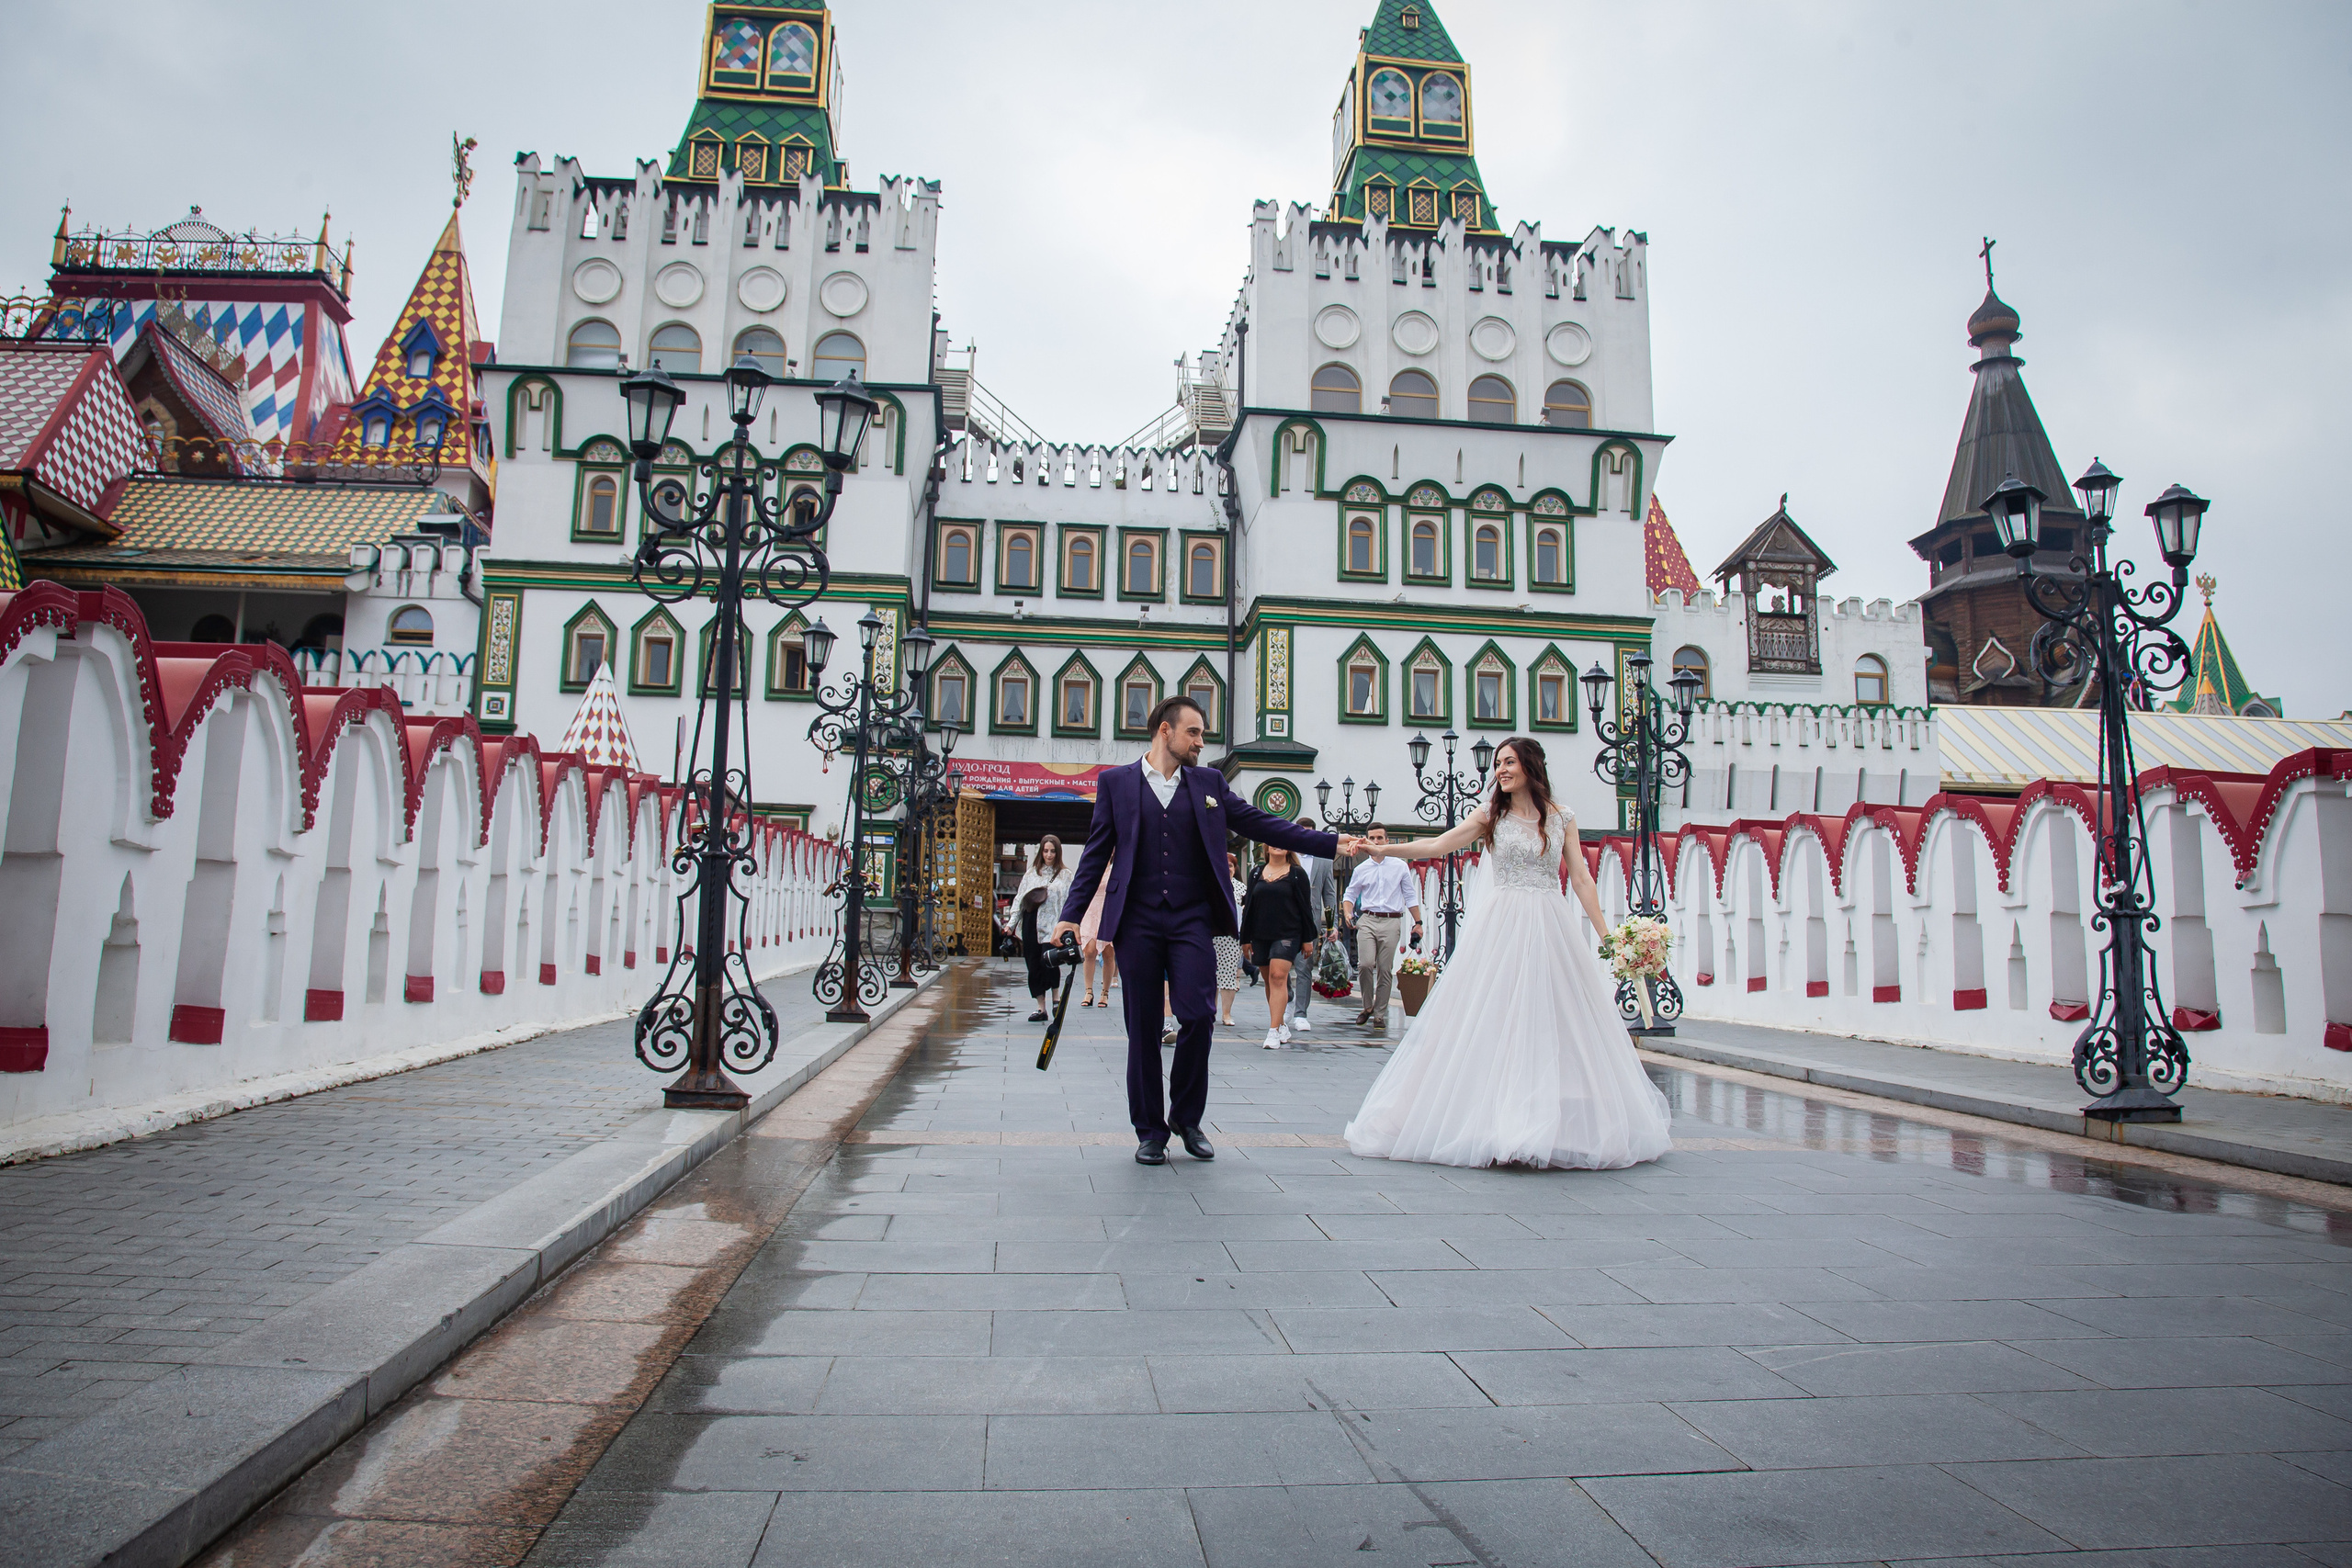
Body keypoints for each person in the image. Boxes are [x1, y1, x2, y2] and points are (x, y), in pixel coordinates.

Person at [1343, 736, 1672, 1170]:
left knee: (1552, 1018)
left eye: (1509, 762)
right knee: (1497, 1016)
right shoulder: (1490, 817)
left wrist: (1608, 937)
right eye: (1498, 762)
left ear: (1531, 766)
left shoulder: (1561, 818)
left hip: (1551, 923)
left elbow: (1581, 879)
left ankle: (1545, 1121)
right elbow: (1438, 845)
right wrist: (1383, 850)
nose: (1500, 769)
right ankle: (1496, 1120)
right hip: (1503, 925)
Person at [1055, 695, 1357, 1166]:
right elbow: (1096, 854)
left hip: (1192, 917)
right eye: (1193, 732)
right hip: (1136, 920)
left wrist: (1331, 841)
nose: (1201, 741)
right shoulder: (1116, 784)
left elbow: (1260, 822)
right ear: (1164, 732)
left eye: (1201, 733)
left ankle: (1187, 1118)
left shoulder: (1209, 782)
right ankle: (1150, 1131)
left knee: (1198, 1016)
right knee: (1143, 1028)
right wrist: (1071, 915)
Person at [1342, 825, 1423, 1038]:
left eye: (1380, 838)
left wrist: (1418, 922)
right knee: (1365, 964)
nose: (1376, 842)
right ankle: (1367, 1006)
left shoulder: (1399, 866)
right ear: (1366, 841)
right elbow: (1349, 895)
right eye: (1372, 838)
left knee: (1385, 969)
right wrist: (1348, 913)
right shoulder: (1362, 869)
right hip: (1367, 919)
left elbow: (1410, 895)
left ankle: (1379, 1014)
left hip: (1391, 920)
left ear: (1387, 841)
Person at [1241, 843, 1320, 1050]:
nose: (1277, 846)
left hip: (1288, 933)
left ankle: (1273, 1030)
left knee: (1278, 976)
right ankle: (1281, 1023)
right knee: (1268, 980)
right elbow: (1249, 905)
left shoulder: (1296, 873)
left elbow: (1305, 907)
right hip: (1260, 934)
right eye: (1273, 843)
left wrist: (1307, 938)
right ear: (1266, 848)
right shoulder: (1257, 872)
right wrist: (1245, 937)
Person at [1284, 820, 1337, 1035]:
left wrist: (1331, 924)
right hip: (1286, 918)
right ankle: (1287, 997)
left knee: (1304, 967)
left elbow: (1329, 893)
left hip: (1311, 920)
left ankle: (1300, 1014)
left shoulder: (1323, 861)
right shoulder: (1288, 856)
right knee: (1280, 965)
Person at [1012, 837, 1071, 1022]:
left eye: (1052, 851)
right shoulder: (1031, 874)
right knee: (1033, 965)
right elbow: (1020, 899)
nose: (1049, 855)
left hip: (1053, 925)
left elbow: (1071, 901)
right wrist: (1011, 924)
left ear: (1058, 852)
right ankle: (1040, 1007)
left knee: (1051, 960)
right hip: (1031, 923)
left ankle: (1056, 998)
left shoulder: (1065, 875)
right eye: (1046, 851)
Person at [1215, 852, 1246, 1026]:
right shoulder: (1211, 883)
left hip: (1232, 937)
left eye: (1231, 865)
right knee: (1210, 976)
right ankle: (1210, 1011)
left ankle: (1226, 1014)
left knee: (1228, 976)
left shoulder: (1241, 888)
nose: (1228, 869)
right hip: (1210, 935)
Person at [1078, 877, 1116, 1006]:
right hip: (1090, 909)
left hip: (1108, 909)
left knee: (1108, 953)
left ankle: (1105, 993)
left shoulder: (1115, 866)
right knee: (1089, 951)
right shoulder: (1093, 862)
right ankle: (1088, 991)